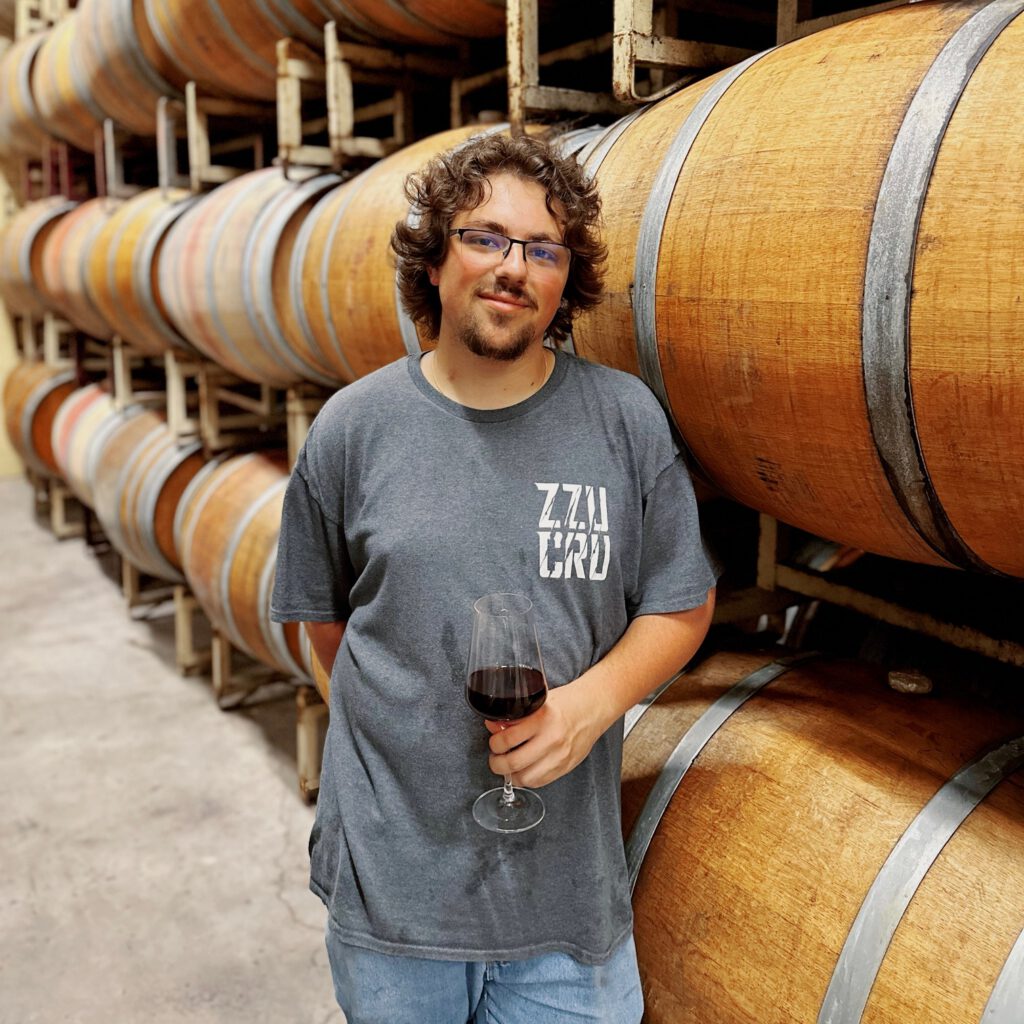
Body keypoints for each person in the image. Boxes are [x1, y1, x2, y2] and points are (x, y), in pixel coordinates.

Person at [270, 130, 718, 1024]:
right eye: (485, 237)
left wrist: (588, 709)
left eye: (542, 250)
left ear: (564, 284)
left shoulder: (624, 420)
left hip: (566, 906)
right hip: (396, 899)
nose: (513, 267)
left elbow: (682, 601)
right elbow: (323, 624)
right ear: (435, 260)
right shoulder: (354, 429)